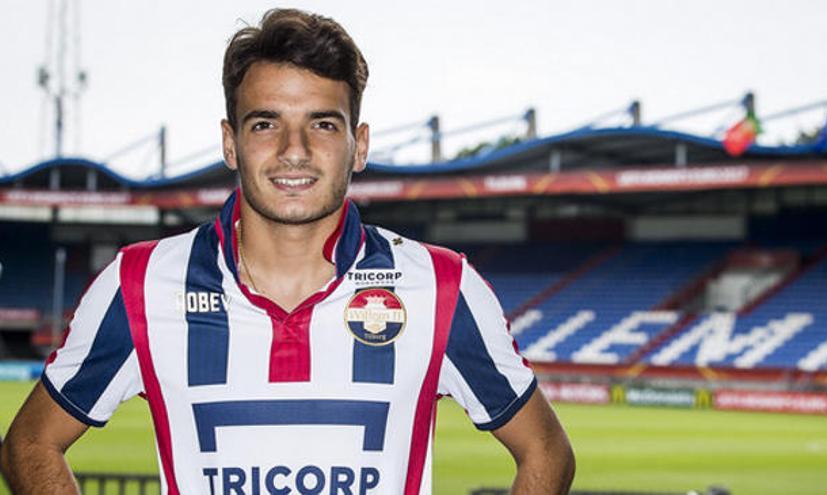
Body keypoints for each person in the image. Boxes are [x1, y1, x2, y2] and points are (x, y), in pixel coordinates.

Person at [0, 8, 575, 494]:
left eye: (323, 124)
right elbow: (29, 444)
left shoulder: (443, 286)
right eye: (265, 124)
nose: (293, 150)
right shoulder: (140, 283)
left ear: (359, 145)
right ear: (230, 143)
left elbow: (547, 451)